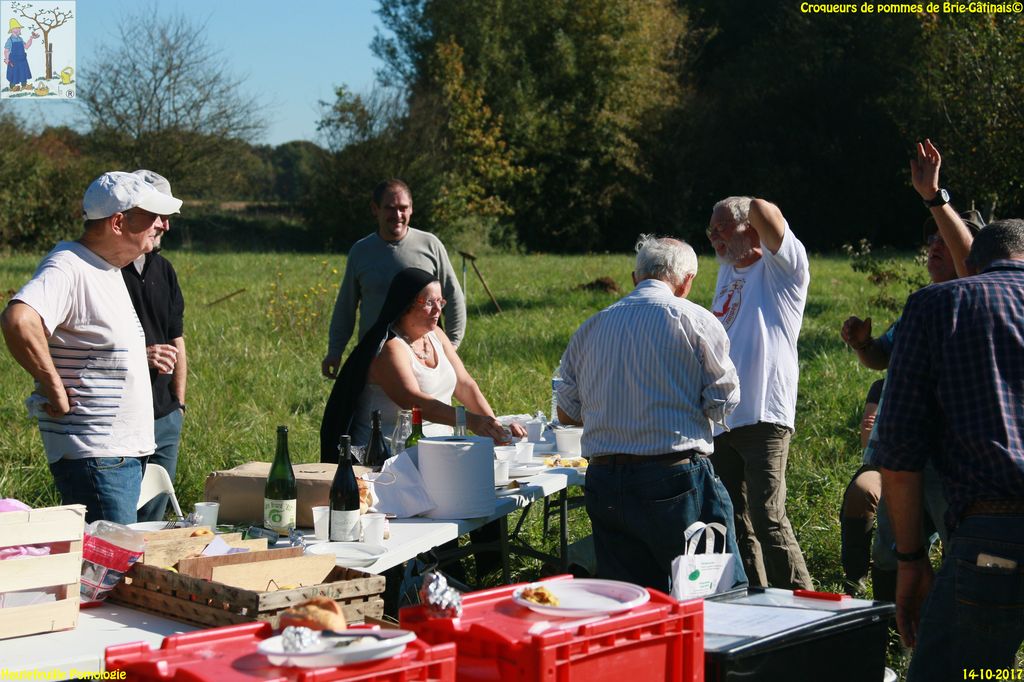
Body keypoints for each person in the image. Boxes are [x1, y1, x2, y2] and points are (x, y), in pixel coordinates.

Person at [555, 234, 746, 594]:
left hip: (604, 478)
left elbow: (566, 412)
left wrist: (613, 411)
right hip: (673, 476)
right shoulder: (695, 320)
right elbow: (723, 400)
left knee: (630, 599)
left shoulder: (591, 327)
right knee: (710, 593)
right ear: (686, 282)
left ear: (634, 278)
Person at [876, 220, 1024, 680]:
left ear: (971, 264)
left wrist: (910, 559)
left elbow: (900, 449)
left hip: (994, 537)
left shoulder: (939, 303)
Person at [839, 139, 982, 598]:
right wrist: (863, 344)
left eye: (945, 238)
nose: (935, 246)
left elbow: (972, 266)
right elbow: (882, 357)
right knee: (894, 554)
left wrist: (935, 197)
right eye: (931, 239)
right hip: (904, 457)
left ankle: (955, 633)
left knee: (960, 553)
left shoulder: (977, 302)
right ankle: (893, 631)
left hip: (952, 459)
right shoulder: (920, 304)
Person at [0, 171, 182, 524]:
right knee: (111, 559)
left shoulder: (106, 268)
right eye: (153, 216)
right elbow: (19, 320)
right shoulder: (68, 266)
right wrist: (53, 386)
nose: (163, 225)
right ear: (118, 222)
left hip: (117, 456)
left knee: (121, 554)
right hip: (97, 456)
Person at [706, 196, 813, 590]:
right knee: (734, 518)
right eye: (710, 230)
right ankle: (758, 600)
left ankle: (803, 607)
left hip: (764, 412)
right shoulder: (727, 270)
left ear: (749, 227)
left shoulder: (781, 269)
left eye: (721, 228)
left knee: (768, 516)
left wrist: (745, 209)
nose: (713, 237)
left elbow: (766, 211)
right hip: (722, 417)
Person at [320, 267, 520, 461]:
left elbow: (465, 385)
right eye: (429, 302)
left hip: (440, 451)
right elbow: (412, 401)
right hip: (389, 458)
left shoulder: (436, 335)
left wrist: (494, 428)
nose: (438, 309)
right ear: (406, 304)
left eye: (440, 301)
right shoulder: (390, 348)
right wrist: (468, 420)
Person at [321, 180, 466, 380]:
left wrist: (451, 346)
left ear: (411, 208)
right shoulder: (361, 251)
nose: (397, 215)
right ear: (375, 209)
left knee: (421, 402)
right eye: (390, 208)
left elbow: (454, 296)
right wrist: (335, 351)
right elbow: (345, 307)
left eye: (403, 208)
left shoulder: (430, 245)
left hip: (422, 359)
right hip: (375, 357)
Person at [121, 170, 188, 522]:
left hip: (165, 417)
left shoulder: (165, 270)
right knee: (121, 522)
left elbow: (176, 337)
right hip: (121, 418)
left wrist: (179, 404)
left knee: (154, 523)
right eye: (158, 215)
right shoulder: (105, 271)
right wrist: (141, 356)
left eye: (168, 216)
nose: (165, 225)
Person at [4, 19, 37, 92]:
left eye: (19, 28)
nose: (19, 29)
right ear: (12, 30)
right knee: (14, 73)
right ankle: (12, 87)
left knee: (23, 72)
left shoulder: (20, 39)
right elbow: (6, 50)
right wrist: (7, 59)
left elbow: (26, 46)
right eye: (16, 28)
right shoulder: (10, 40)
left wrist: (31, 38)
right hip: (14, 61)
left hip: (22, 60)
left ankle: (24, 85)